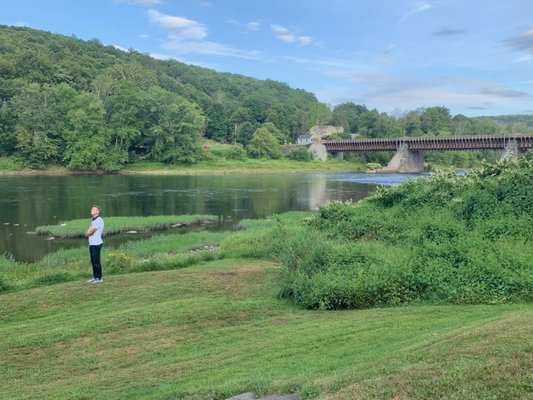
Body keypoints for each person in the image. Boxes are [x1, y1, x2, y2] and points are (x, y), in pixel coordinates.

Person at [86, 205, 104, 283]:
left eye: (94, 209)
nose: (91, 210)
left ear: (98, 212)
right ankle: (95, 277)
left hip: (96, 244)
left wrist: (89, 232)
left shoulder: (98, 220)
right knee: (93, 261)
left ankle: (99, 278)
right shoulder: (93, 220)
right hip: (92, 243)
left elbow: (90, 232)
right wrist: (89, 232)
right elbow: (88, 232)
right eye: (91, 209)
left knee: (96, 261)